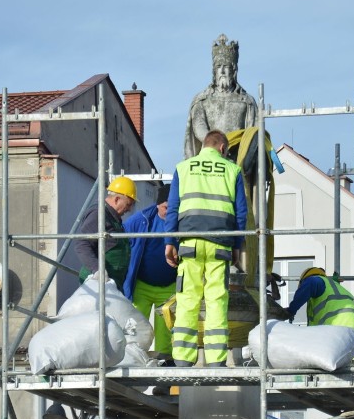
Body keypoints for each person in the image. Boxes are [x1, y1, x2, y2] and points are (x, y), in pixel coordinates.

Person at [165, 130, 248, 367]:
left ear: (205, 146)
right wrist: (237, 246)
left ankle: (182, 359)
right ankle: (215, 361)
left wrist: (169, 242)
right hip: (220, 243)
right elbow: (241, 213)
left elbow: (173, 208)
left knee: (187, 298)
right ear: (222, 148)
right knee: (216, 301)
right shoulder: (232, 170)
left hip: (189, 242)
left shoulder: (184, 168)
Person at [123, 184, 177, 365]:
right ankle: (132, 362)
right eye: (165, 208)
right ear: (157, 205)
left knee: (165, 333)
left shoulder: (181, 221)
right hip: (142, 286)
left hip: (168, 287)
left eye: (173, 208)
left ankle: (164, 373)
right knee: (135, 328)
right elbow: (120, 240)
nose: (169, 212)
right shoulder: (141, 220)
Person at [183, 34, 257, 159]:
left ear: (233, 70)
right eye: (218, 67)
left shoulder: (246, 101)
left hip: (237, 159)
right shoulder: (202, 100)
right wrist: (217, 145)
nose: (222, 71)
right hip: (210, 158)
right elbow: (199, 126)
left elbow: (253, 133)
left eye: (226, 67)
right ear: (214, 71)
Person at [286, 267, 354, 359]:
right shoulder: (331, 287)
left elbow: (310, 285)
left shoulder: (315, 280)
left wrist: (291, 310)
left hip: (345, 337)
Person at [74, 176, 137, 292]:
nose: (129, 209)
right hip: (98, 284)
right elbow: (82, 243)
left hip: (111, 284)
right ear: (117, 199)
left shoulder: (113, 218)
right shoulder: (98, 214)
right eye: (128, 204)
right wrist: (97, 269)